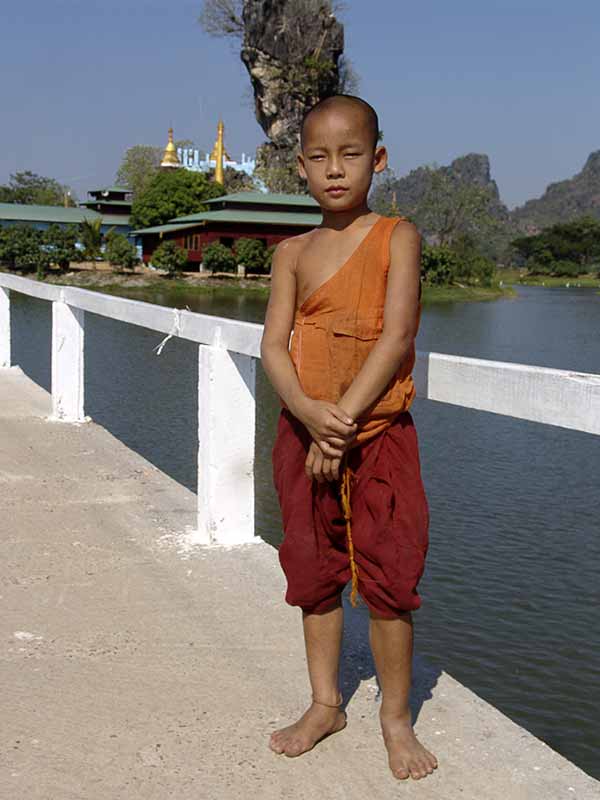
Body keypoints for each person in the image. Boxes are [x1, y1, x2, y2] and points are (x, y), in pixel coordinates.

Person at [260, 94, 438, 781]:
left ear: (379, 160)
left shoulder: (397, 236)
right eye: (320, 157)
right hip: (303, 431)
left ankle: (395, 718)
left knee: (391, 577)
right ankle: (325, 703)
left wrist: (341, 425)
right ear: (301, 166)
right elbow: (274, 346)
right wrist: (307, 411)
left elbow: (395, 337)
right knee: (313, 571)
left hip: (379, 434)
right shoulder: (293, 253)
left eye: (352, 154)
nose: (336, 170)